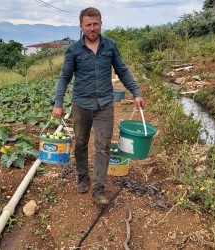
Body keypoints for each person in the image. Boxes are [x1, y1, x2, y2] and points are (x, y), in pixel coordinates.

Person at [52, 7, 145, 205]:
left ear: (101, 24)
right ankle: (83, 177)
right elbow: (64, 78)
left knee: (103, 146)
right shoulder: (74, 50)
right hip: (81, 104)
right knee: (80, 143)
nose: (92, 28)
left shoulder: (110, 47)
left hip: (104, 104)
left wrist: (136, 92)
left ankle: (99, 189)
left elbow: (123, 71)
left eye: (95, 24)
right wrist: (58, 103)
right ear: (81, 26)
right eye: (88, 25)